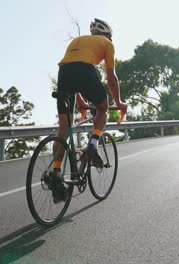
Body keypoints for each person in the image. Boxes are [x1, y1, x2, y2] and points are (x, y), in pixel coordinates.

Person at [52, 18, 128, 202]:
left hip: (63, 74)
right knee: (102, 109)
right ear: (108, 35)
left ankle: (55, 172)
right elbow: (111, 77)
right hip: (84, 72)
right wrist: (119, 102)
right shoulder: (107, 44)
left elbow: (72, 68)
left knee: (64, 128)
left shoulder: (76, 41)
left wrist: (79, 99)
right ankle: (93, 145)